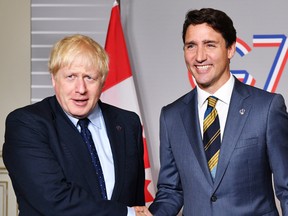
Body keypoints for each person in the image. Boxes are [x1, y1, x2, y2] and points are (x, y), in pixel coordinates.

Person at [148, 8, 288, 215]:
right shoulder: (171, 116)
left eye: (210, 45)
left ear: (231, 49)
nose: (199, 56)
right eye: (191, 46)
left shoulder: (266, 108)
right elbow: (171, 191)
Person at [3, 34, 148, 216]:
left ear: (102, 81)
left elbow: (135, 197)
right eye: (70, 76)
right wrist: (128, 214)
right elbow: (54, 200)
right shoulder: (26, 124)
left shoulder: (128, 123)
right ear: (54, 79)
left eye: (89, 78)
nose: (80, 89)